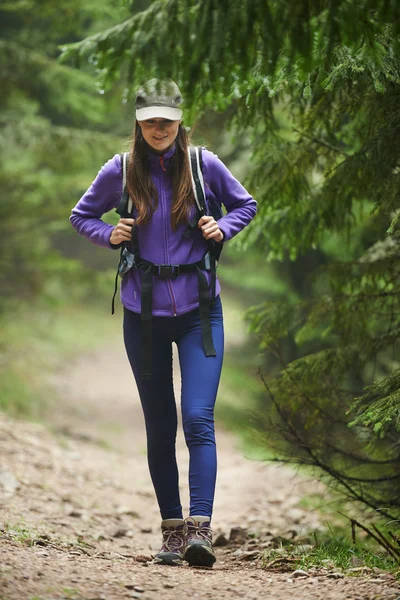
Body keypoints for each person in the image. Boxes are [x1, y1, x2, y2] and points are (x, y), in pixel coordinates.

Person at [70, 78, 257, 567]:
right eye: (150, 119)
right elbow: (81, 215)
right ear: (138, 121)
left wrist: (224, 226)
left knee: (198, 419)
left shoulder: (203, 165)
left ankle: (200, 529)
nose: (159, 127)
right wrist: (109, 235)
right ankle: (171, 532)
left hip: (199, 312)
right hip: (143, 315)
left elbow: (246, 204)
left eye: (167, 120)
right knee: (160, 425)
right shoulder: (121, 169)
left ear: (179, 120)